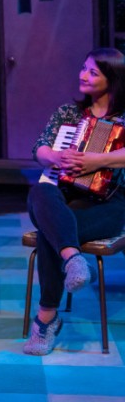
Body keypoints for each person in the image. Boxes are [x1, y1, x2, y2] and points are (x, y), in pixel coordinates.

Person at [24, 48, 125, 355]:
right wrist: (54, 156)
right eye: (83, 68)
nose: (83, 75)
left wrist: (98, 160)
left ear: (113, 79)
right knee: (40, 192)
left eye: (93, 72)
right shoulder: (69, 114)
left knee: (49, 232)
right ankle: (72, 258)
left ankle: (46, 320)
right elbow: (39, 148)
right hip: (65, 196)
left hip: (110, 204)